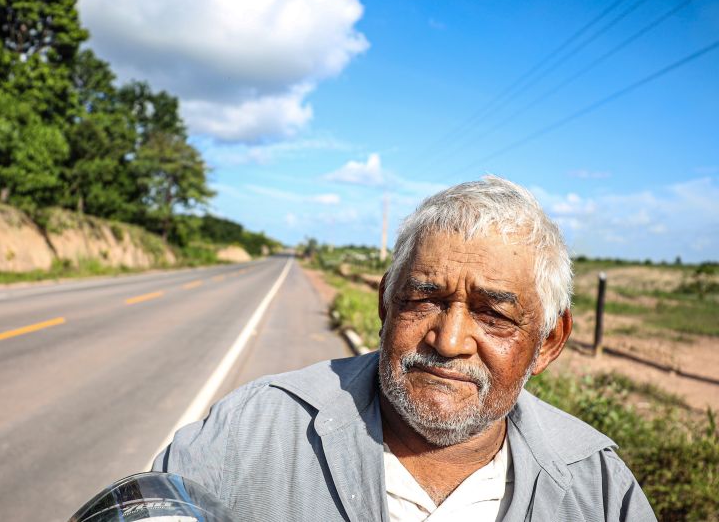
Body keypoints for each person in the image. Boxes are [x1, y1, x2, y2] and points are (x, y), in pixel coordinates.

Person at [154, 176, 656, 521]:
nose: (449, 340)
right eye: (424, 300)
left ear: (547, 343)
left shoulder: (597, 488)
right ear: (385, 305)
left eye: (493, 315)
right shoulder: (249, 432)